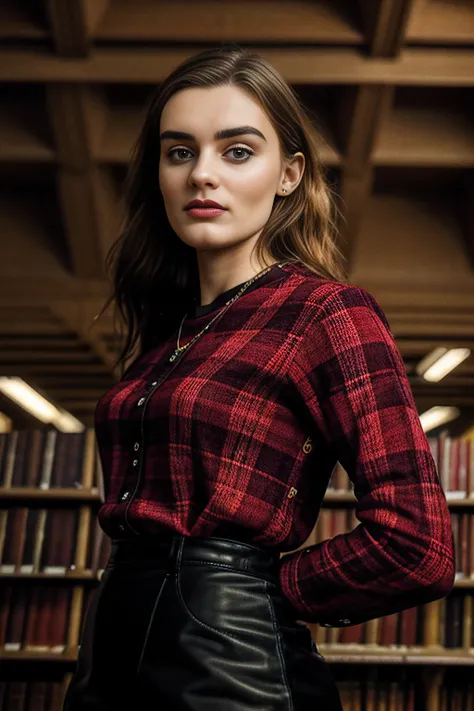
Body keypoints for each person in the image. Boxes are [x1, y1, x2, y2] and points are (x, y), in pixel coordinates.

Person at [63, 45, 455, 711]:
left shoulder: (327, 313)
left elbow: (418, 542)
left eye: (236, 151)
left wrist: (260, 589)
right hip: (108, 657)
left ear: (288, 174)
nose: (201, 175)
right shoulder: (170, 333)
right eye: (179, 151)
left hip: (232, 667)